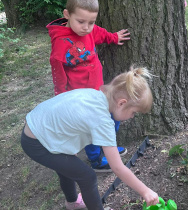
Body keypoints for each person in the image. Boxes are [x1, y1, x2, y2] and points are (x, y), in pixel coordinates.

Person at [21, 67, 159, 210]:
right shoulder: (102, 120)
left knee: (67, 167)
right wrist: (145, 191)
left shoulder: (95, 95)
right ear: (122, 103)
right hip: (37, 142)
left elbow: (69, 116)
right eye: (133, 112)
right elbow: (117, 167)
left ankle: (72, 203)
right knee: (88, 177)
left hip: (37, 128)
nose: (132, 117)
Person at [46, 0, 130, 172]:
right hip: (79, 98)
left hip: (98, 91)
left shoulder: (90, 31)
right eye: (81, 22)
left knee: (111, 119)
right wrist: (62, 97)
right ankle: (96, 160)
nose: (86, 27)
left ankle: (109, 149)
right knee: (91, 129)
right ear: (67, 15)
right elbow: (59, 73)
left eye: (91, 22)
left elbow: (99, 33)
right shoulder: (61, 42)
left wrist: (114, 37)